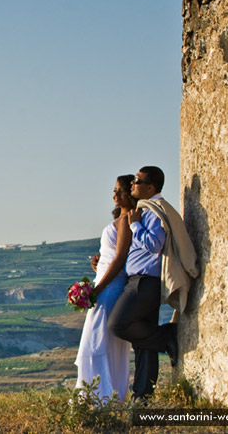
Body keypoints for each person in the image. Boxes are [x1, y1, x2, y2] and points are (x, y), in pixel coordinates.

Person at [107, 166, 178, 401]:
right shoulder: (144, 209)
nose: (133, 184)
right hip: (141, 279)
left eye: (137, 181)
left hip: (144, 281)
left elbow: (154, 244)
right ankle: (142, 395)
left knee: (118, 324)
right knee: (142, 343)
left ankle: (167, 336)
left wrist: (135, 225)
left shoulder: (153, 212)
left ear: (150, 188)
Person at [74, 174, 134, 401]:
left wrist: (97, 290)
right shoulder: (120, 219)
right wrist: (98, 262)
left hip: (109, 288)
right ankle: (96, 394)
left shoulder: (128, 222)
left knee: (97, 340)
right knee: (97, 339)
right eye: (114, 190)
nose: (115, 195)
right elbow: (111, 256)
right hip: (103, 282)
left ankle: (101, 395)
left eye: (120, 190)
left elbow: (120, 259)